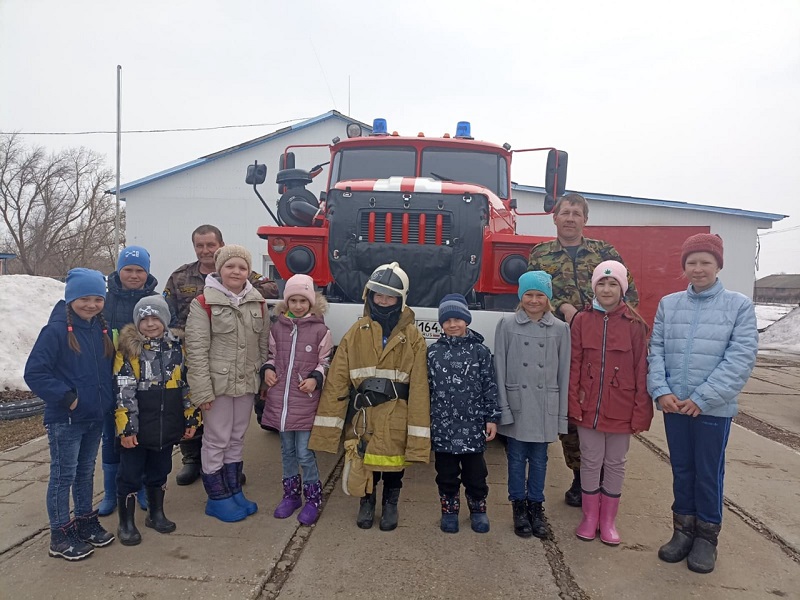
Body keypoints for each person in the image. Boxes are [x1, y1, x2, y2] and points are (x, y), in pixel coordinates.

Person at [648, 233, 758, 574]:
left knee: (708, 473)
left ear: (718, 265)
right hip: (675, 407)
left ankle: (706, 538)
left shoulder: (738, 306)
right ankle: (682, 531)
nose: (698, 269)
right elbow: (656, 350)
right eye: (691, 263)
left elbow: (740, 358)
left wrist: (703, 398)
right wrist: (661, 391)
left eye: (705, 262)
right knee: (682, 470)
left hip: (712, 409)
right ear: (684, 266)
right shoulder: (669, 304)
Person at [528, 193, 639, 508]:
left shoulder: (605, 252)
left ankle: (605, 475)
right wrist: (562, 305)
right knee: (571, 408)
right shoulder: (540, 255)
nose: (571, 218)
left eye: (577, 213)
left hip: (602, 345)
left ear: (585, 219)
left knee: (602, 406)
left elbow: (629, 294)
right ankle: (581, 477)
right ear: (555, 218)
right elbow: (530, 296)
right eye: (565, 212)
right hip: (561, 343)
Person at [308, 262, 431, 531]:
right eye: (378, 295)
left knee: (394, 464)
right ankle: (366, 501)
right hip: (363, 413)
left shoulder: (413, 336)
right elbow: (338, 380)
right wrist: (329, 429)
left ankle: (390, 504)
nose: (383, 301)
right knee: (364, 460)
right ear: (369, 296)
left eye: (389, 297)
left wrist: (419, 436)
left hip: (397, 412)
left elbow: (420, 387)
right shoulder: (357, 331)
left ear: (400, 299)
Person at [164, 224, 278, 486]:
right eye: (199, 245)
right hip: (202, 359)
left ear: (220, 246)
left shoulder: (253, 296)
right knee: (209, 432)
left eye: (210, 245)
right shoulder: (185, 281)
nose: (204, 250)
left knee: (236, 434)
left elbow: (262, 341)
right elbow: (169, 314)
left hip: (242, 374)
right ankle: (203, 474)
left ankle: (231, 480)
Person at [24, 268, 116, 561]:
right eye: (84, 298)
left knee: (86, 472)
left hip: (95, 416)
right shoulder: (54, 332)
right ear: (70, 298)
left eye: (97, 299)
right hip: (67, 419)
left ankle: (85, 522)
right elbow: (35, 373)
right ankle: (60, 534)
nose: (91, 304)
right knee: (64, 475)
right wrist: (69, 399)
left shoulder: (100, 330)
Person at [568, 261, 653, 545]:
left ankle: (608, 520)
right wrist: (573, 402)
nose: (606, 289)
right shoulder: (581, 320)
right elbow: (574, 364)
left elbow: (642, 369)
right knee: (590, 462)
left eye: (613, 284)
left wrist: (642, 411)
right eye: (601, 284)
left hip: (621, 407)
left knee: (615, 463)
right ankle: (590, 517)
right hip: (588, 406)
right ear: (593, 287)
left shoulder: (635, 325)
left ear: (623, 289)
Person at [185, 245, 270, 523]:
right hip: (217, 387)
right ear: (220, 269)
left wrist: (261, 381)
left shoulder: (257, 303)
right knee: (216, 439)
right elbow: (196, 351)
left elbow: (262, 345)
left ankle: (234, 490)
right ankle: (217, 497)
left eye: (242, 267)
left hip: (245, 385)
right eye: (230, 266)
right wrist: (201, 391)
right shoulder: (203, 303)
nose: (236, 271)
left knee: (236, 438)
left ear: (249, 271)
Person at [113, 296, 201, 545]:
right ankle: (126, 522)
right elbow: (123, 391)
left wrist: (191, 418)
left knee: (160, 471)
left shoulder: (177, 348)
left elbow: (187, 386)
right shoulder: (129, 350)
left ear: (165, 320)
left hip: (167, 424)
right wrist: (127, 428)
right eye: (145, 319)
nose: (150, 324)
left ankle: (156, 513)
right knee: (130, 474)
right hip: (138, 427)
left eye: (155, 318)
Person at [495, 271, 570, 539]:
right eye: (529, 294)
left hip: (544, 405)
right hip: (518, 404)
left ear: (548, 298)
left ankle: (536, 507)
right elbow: (500, 369)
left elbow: (564, 374)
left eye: (540, 295)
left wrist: (562, 416)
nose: (534, 300)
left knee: (539, 460)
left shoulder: (561, 329)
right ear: (520, 296)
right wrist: (502, 407)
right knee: (515, 459)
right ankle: (518, 506)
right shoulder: (506, 325)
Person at [261, 274, 333, 526]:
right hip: (281, 401)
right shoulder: (278, 327)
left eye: (304, 300)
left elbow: (325, 361)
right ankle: (290, 495)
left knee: (304, 453)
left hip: (304, 401)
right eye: (294, 300)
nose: (299, 305)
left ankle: (313, 497)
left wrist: (315, 377)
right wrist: (268, 370)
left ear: (311, 302)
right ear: (287, 302)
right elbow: (271, 355)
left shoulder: (320, 330)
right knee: (287, 452)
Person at [427, 294, 499, 534]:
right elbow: (426, 389)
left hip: (472, 427)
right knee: (446, 474)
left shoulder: (480, 352)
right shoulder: (432, 353)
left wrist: (491, 418)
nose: (453, 325)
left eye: (458, 319)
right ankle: (449, 509)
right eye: (447, 320)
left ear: (467, 320)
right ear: (441, 324)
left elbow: (490, 385)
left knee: (476, 474)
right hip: (443, 428)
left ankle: (478, 509)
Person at [98, 245, 158, 517]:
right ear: (119, 270)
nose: (134, 275)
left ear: (147, 272)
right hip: (108, 382)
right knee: (112, 437)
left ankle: (141, 487)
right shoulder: (103, 301)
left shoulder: (156, 301)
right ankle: (111, 492)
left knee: (141, 436)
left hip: (145, 384)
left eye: (139, 270)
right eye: (128, 270)